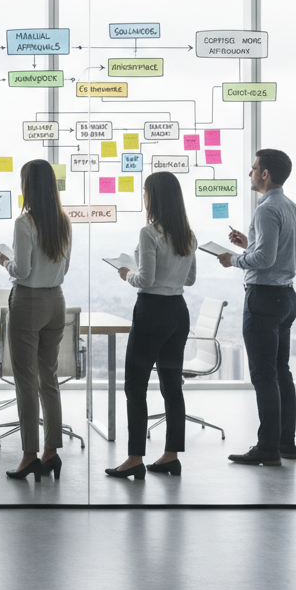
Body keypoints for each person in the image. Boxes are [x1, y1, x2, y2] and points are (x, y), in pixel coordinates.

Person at [105, 171, 196, 480]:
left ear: (154, 197)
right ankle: (171, 456)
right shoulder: (188, 235)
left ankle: (134, 459)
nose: (143, 197)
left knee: (135, 385)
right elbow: (191, 279)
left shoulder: (149, 232)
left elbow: (145, 280)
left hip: (152, 312)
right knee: (172, 385)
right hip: (178, 312)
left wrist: (126, 273)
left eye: (145, 192)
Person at [218, 149, 296, 466]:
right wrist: (248, 244)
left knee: (264, 376)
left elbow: (265, 260)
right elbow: (284, 255)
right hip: (286, 297)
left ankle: (267, 448)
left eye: (254, 168)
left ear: (265, 173)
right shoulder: (292, 208)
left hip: (264, 299)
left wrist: (234, 259)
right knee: (281, 373)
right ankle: (285, 444)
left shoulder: (267, 209)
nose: (250, 173)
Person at [0, 159, 72, 482]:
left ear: (28, 187)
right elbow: (64, 270)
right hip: (56, 300)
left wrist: (5, 262)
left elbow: (22, 271)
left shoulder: (24, 223)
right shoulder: (63, 222)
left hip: (28, 302)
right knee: (49, 379)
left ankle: (29, 455)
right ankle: (51, 453)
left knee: (26, 382)